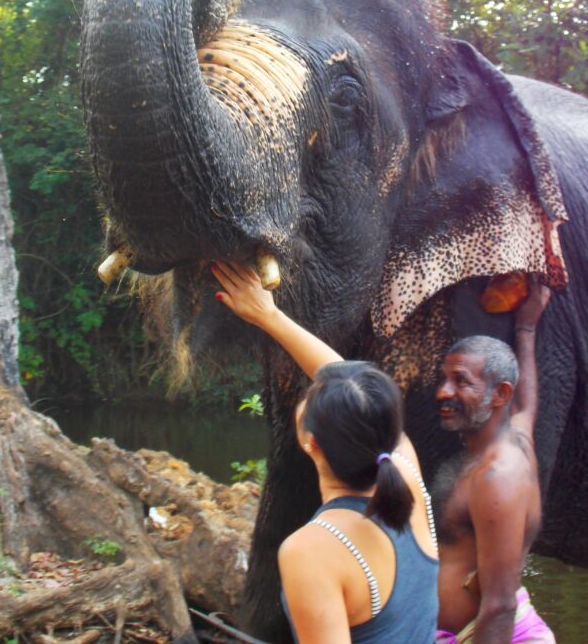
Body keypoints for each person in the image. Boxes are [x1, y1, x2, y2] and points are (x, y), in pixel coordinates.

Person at [212, 260, 439, 644]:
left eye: (311, 395)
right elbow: (349, 382)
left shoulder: (312, 551)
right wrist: (269, 316)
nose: (312, 385)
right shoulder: (406, 474)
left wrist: (270, 317)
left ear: (310, 442)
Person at [434, 279, 556, 643]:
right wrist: (526, 327)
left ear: (498, 393)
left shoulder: (497, 477)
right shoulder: (515, 436)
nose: (444, 391)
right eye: (444, 379)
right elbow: (525, 405)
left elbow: (500, 606)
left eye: (461, 382)